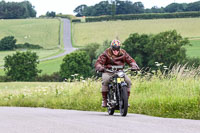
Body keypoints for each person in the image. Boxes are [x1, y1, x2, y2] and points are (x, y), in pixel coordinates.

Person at [95, 39, 140, 107]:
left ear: (119, 48)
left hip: (120, 72)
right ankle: (105, 100)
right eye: (114, 49)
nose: (115, 51)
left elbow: (130, 60)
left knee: (128, 81)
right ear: (111, 48)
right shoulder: (106, 53)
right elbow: (99, 62)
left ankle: (126, 100)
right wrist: (100, 67)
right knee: (105, 80)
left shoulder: (123, 53)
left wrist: (134, 65)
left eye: (117, 49)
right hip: (108, 71)